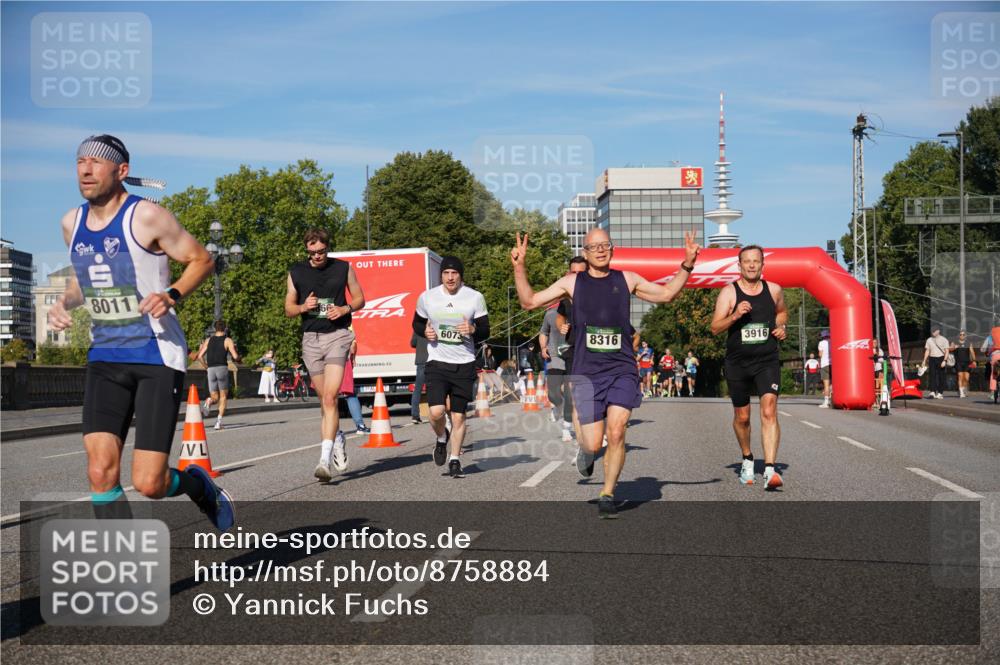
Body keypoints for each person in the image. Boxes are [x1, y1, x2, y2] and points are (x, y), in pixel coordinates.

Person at [46, 134, 233, 530]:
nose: (85, 169)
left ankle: (198, 485)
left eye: (96, 162)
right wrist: (63, 304)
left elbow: (202, 259)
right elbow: (85, 280)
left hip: (155, 354)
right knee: (100, 472)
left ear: (121, 171)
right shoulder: (71, 223)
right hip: (105, 355)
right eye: (80, 161)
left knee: (149, 483)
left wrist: (172, 294)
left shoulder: (146, 216)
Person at [512, 228, 700, 519]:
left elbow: (666, 294)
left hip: (622, 368)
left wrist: (687, 264)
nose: (600, 250)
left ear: (612, 249)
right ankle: (586, 452)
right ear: (585, 253)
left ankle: (608, 492)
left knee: (616, 432)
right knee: (591, 441)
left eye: (606, 245)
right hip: (586, 372)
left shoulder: (627, 279)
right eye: (594, 247)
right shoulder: (572, 283)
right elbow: (529, 301)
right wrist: (519, 267)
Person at [284, 228, 365, 481]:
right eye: (313, 252)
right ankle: (338, 436)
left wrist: (344, 309)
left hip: (337, 336)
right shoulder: (296, 272)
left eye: (322, 251)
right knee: (323, 400)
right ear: (306, 249)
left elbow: (361, 298)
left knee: (330, 398)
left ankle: (323, 461)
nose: (318, 256)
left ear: (327, 248)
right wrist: (302, 307)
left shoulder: (343, 268)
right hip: (311, 340)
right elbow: (288, 309)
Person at [710, 244, 788, 489]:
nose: (752, 265)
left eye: (756, 261)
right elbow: (715, 327)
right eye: (747, 261)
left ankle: (770, 469)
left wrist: (780, 326)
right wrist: (734, 316)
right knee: (742, 417)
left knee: (769, 410)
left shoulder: (774, 290)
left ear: (763, 264)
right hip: (737, 363)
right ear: (739, 265)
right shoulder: (729, 293)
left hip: (766, 360)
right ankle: (747, 458)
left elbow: (783, 312)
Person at [412, 256, 490, 479]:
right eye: (446, 273)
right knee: (435, 413)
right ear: (441, 275)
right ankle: (441, 437)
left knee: (458, 416)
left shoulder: (475, 297)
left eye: (454, 273)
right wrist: (424, 332)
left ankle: (455, 459)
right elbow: (417, 322)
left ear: (460, 275)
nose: (450, 277)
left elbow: (486, 330)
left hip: (464, 364)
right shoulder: (428, 297)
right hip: (437, 362)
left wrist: (473, 329)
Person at [197, 320, 241, 430]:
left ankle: (209, 401)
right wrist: (239, 358)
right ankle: (218, 422)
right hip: (222, 368)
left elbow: (199, 356)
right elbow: (235, 357)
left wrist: (206, 366)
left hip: (211, 369)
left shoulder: (208, 340)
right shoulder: (227, 340)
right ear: (225, 328)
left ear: (215, 328)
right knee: (223, 397)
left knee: (214, 397)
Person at [340, 336, 370, 435]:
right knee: (349, 394)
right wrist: (353, 357)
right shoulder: (344, 322)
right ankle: (360, 426)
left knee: (327, 396)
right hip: (341, 359)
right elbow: (353, 346)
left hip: (323, 359)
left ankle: (331, 431)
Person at [921, 328, 950, 399]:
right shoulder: (929, 340)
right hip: (932, 358)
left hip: (941, 358)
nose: (933, 332)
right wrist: (924, 360)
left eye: (934, 331)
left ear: (938, 331)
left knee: (941, 376)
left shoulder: (944, 339)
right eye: (932, 331)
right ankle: (932, 392)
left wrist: (945, 360)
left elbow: (947, 351)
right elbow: (927, 350)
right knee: (932, 375)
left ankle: (940, 392)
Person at [410, 332, 429, 424]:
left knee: (417, 389)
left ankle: (415, 415)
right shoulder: (435, 325)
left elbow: (413, 343)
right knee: (435, 387)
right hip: (433, 361)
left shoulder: (418, 329)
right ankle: (436, 413)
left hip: (421, 361)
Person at [950, 330, 975, 398]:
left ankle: (963, 389)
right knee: (960, 376)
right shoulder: (954, 342)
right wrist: (953, 347)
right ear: (958, 335)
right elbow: (949, 349)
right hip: (958, 362)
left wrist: (974, 360)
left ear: (965, 336)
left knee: (966, 378)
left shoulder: (968, 343)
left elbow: (972, 351)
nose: (962, 336)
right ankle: (961, 392)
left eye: (963, 335)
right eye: (961, 334)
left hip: (967, 362)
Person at [817, 329, 832, 408]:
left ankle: (826, 402)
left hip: (824, 364)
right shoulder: (832, 341)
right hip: (833, 364)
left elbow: (820, 355)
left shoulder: (821, 343)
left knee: (826, 384)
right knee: (833, 383)